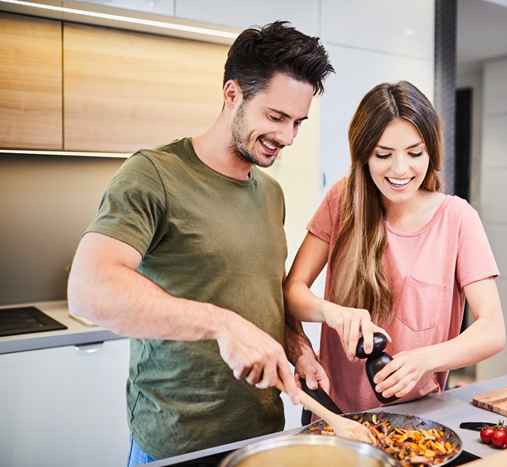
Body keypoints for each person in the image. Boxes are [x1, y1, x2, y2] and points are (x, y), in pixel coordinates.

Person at [67, 21, 334, 464]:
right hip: (175, 442)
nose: (287, 137)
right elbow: (88, 289)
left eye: (298, 123)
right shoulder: (153, 174)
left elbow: (263, 292)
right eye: (275, 117)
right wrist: (222, 324)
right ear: (232, 94)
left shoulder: (271, 194)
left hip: (260, 436)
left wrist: (297, 344)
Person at [285, 81, 506, 413]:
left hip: (420, 415)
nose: (401, 170)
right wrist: (332, 312)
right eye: (383, 155)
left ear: (431, 152)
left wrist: (424, 360)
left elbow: (492, 329)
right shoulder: (342, 201)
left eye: (415, 153)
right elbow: (292, 292)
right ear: (364, 155)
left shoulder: (458, 219)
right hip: (335, 411)